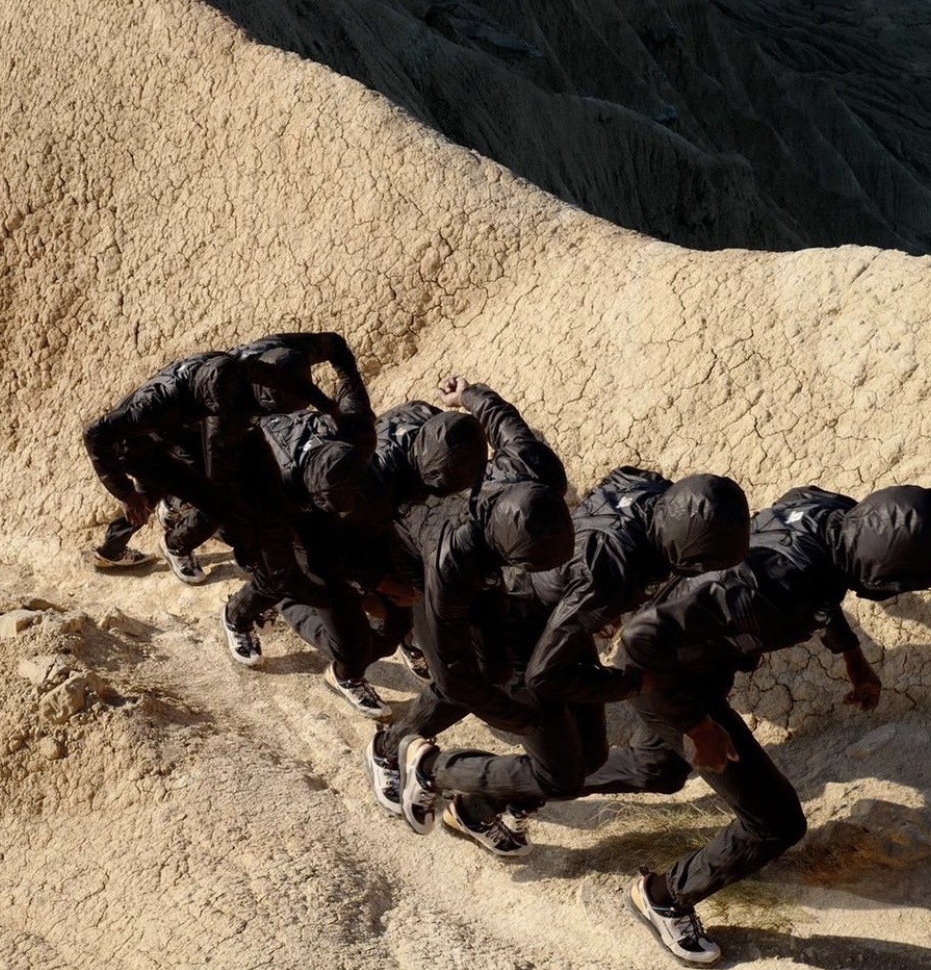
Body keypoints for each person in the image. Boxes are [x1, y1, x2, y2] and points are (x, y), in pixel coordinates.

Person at [587, 484, 931, 968]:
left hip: (701, 664)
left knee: (656, 770)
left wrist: (853, 657)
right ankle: (663, 896)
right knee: (776, 821)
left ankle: (506, 789)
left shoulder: (835, 517)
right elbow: (639, 642)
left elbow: (824, 588)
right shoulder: (769, 586)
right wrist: (700, 728)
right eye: (897, 584)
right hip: (670, 682)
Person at [391, 465, 751, 856]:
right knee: (559, 777)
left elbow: (610, 492)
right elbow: (545, 675)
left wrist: (585, 597)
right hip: (521, 635)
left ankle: (473, 810)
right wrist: (632, 683)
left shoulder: (654, 494)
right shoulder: (611, 571)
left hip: (557, 617)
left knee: (592, 757)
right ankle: (431, 770)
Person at [364, 377, 574, 852]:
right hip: (407, 536)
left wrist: (469, 395)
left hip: (443, 463)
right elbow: (454, 674)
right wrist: (512, 718)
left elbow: (506, 424)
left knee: (496, 663)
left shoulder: (536, 469)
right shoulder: (451, 562)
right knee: (467, 668)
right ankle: (388, 746)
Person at [219, 376, 490, 673]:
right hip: (290, 508)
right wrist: (377, 584)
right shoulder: (368, 490)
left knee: (393, 598)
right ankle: (243, 613)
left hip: (318, 474)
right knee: (295, 578)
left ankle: (401, 634)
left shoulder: (423, 421)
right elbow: (324, 553)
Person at [84, 332, 353, 583]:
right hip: (135, 447)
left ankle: (114, 547)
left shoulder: (258, 360)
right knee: (207, 498)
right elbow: (95, 433)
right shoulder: (154, 406)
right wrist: (124, 492)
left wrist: (327, 404)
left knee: (165, 491)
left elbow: (322, 351)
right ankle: (175, 544)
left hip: (181, 428)